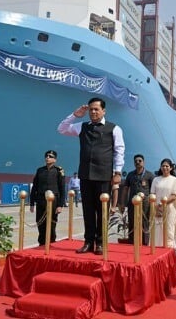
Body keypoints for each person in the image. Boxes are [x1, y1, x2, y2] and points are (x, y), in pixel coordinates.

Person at [58, 97, 125, 255]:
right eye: (91, 109)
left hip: (104, 176)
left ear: (104, 111)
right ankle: (88, 242)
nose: (93, 112)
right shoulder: (82, 127)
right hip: (86, 175)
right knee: (88, 210)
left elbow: (119, 151)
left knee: (102, 210)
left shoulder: (114, 128)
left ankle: (101, 242)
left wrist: (117, 172)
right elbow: (61, 129)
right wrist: (75, 115)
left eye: (96, 109)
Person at [30, 150, 65, 246]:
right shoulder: (40, 170)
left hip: (53, 201)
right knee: (40, 222)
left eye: (50, 156)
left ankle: (51, 243)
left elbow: (62, 189)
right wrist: (32, 203)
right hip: (41, 200)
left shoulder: (58, 171)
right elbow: (35, 187)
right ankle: (41, 243)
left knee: (52, 224)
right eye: (46, 156)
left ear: (55, 159)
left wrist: (60, 205)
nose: (47, 158)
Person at [120, 154, 155, 245]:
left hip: (145, 204)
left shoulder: (149, 175)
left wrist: (153, 204)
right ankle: (132, 241)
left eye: (140, 161)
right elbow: (125, 189)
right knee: (132, 221)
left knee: (144, 222)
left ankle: (144, 242)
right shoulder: (130, 175)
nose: (137, 162)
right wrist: (123, 203)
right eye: (136, 161)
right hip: (132, 203)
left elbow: (153, 191)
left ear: (143, 162)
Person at [150, 158, 176, 248]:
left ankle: (168, 253)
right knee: (156, 232)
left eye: (167, 166)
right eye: (163, 166)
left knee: (169, 232)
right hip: (156, 209)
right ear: (160, 167)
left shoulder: (175, 180)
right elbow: (152, 194)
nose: (165, 168)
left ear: (171, 168)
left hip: (170, 210)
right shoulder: (156, 179)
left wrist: (162, 204)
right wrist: (156, 207)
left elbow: (174, 196)